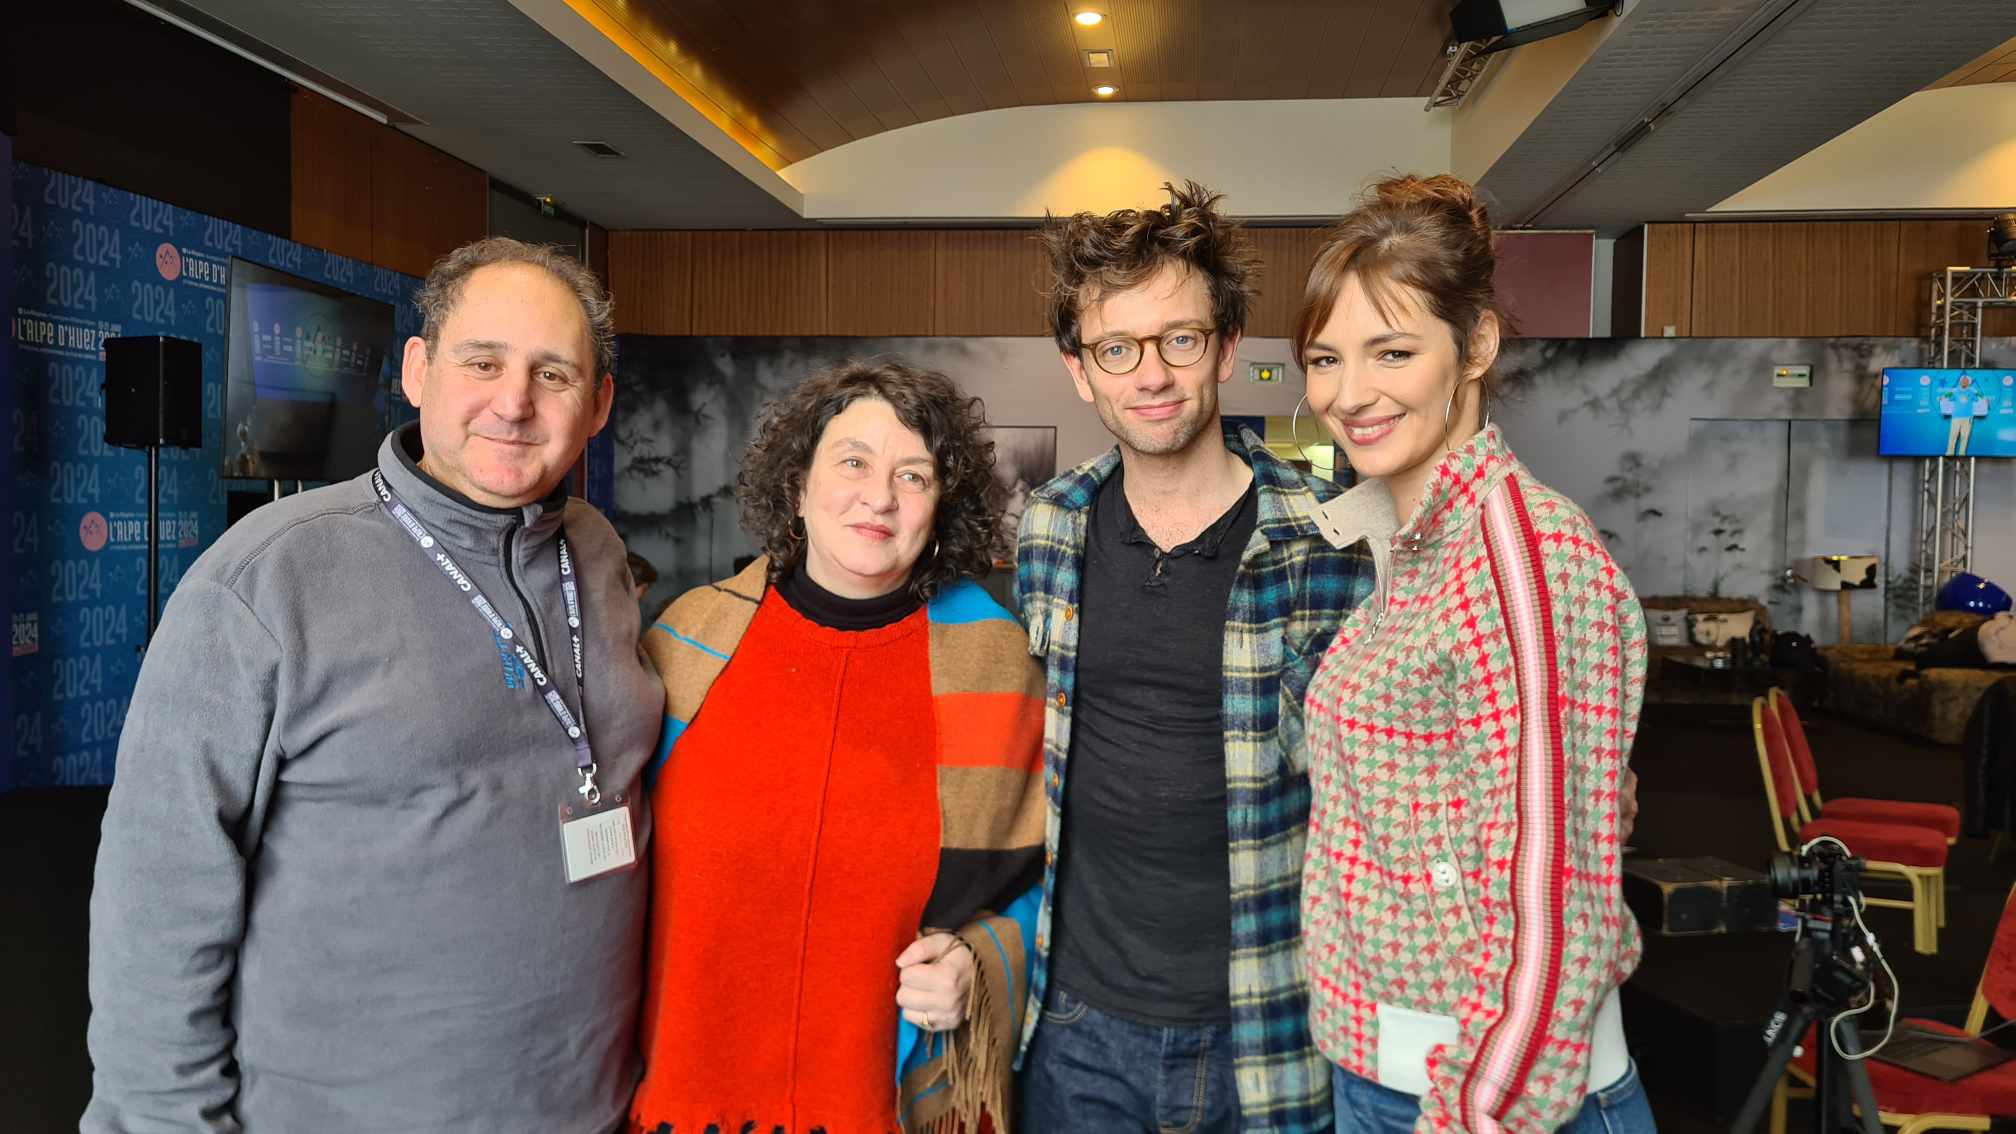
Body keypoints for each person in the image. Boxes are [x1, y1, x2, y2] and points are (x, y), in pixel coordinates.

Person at [83, 237, 661, 1133]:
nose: (515, 403)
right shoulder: (267, 579)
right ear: (418, 371)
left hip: (591, 1109)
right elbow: (158, 895)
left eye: (553, 374)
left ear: (599, 406)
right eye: (483, 362)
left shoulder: (596, 551)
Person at [1292, 174, 1653, 1134]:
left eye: (1393, 352)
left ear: (1477, 346)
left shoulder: (1522, 557)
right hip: (1385, 1075)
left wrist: (1479, 1111)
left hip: (1491, 1097)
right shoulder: (1418, 550)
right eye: (1325, 359)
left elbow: (1550, 893)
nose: (1349, 394)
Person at [1012, 182, 1376, 1134]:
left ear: (1224, 347)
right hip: (1076, 1022)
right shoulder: (1050, 526)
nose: (1152, 375)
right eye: (1117, 349)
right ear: (1080, 370)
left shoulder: (1331, 542)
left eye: (1179, 339)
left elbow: (1396, 768)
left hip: (1269, 1023)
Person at [633, 361, 1046, 1134]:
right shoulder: (688, 641)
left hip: (888, 1107)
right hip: (684, 1099)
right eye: (853, 462)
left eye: (913, 475)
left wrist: (981, 964)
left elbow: (1059, 883)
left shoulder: (999, 667)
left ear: (941, 507)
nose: (880, 496)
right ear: (797, 485)